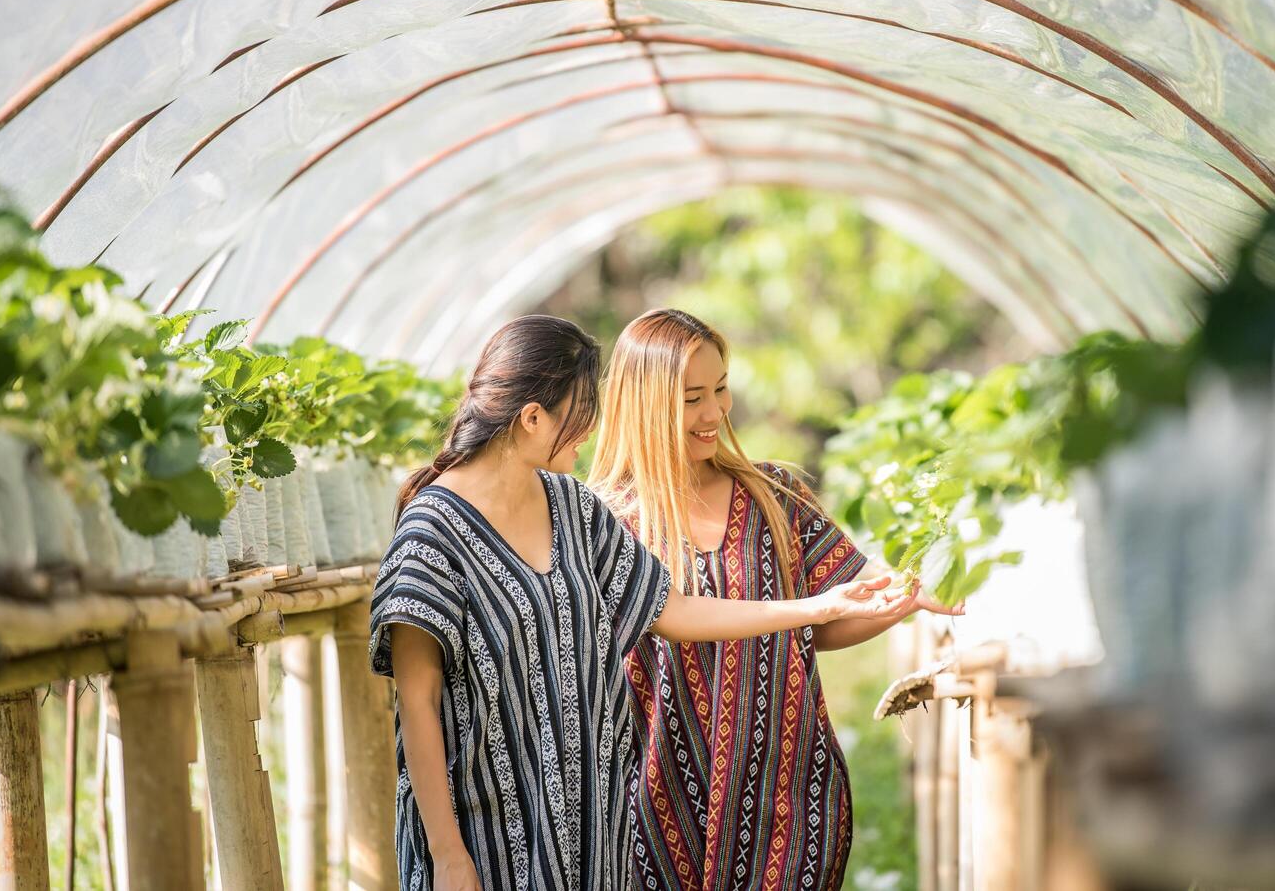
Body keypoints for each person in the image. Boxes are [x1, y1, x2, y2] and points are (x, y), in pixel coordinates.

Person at [368, 315, 914, 891]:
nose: (592, 433)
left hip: (592, 844)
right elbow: (417, 706)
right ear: (532, 418)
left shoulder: (571, 508)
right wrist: (449, 856)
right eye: (581, 417)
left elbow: (673, 611)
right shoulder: (432, 533)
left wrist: (814, 608)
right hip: (488, 842)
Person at [587, 308, 964, 891]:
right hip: (653, 809)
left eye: (720, 388)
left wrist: (908, 592)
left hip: (786, 796)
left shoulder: (774, 495)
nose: (714, 412)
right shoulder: (603, 522)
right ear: (644, 402)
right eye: (691, 398)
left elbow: (834, 616)